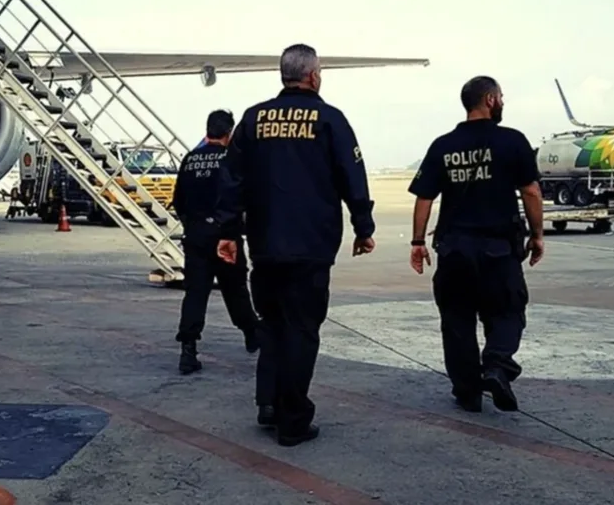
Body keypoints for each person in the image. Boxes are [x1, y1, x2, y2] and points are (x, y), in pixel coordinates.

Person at [213, 44, 376, 447]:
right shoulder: (330, 119)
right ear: (314, 76)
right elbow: (352, 175)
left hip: (265, 244)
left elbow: (231, 180)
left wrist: (228, 233)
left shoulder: (253, 119)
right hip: (311, 245)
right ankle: (293, 420)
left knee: (272, 324)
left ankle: (268, 403)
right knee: (302, 330)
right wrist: (363, 226)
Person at [407, 75, 544, 414]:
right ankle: (497, 365)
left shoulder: (443, 145)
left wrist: (417, 241)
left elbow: (424, 197)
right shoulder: (512, 141)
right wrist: (537, 235)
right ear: (490, 99)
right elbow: (530, 191)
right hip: (498, 249)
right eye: (501, 96)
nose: (502, 102)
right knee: (508, 311)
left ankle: (467, 392)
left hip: (454, 250)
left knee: (457, 321)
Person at [171, 109, 263, 375]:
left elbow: (179, 201)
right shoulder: (232, 159)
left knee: (195, 293)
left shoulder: (190, 159)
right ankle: (251, 333)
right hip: (226, 235)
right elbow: (242, 198)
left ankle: (188, 350)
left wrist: (193, 225)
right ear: (229, 132)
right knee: (235, 290)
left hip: (196, 237)